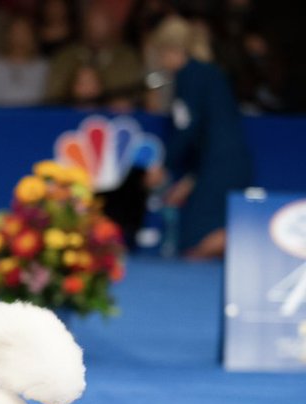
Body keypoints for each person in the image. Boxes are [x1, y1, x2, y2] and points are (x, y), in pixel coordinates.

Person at [145, 15, 251, 260]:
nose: (159, 61)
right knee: (202, 234)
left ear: (170, 49)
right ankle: (240, 239)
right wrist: (189, 181)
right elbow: (205, 131)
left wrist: (164, 166)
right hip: (228, 163)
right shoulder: (209, 72)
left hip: (220, 166)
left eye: (159, 53)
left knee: (195, 241)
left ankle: (242, 240)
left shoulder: (188, 75)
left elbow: (188, 128)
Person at [45, 2, 142, 109]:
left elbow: (134, 97)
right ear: (83, 23)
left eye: (103, 20)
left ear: (113, 24)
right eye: (92, 20)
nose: (97, 26)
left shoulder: (127, 57)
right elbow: (52, 97)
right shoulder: (65, 56)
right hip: (69, 115)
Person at [0, 14, 49, 107]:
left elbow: (47, 101)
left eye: (24, 32)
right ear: (8, 35)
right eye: (16, 31)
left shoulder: (43, 67)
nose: (20, 36)